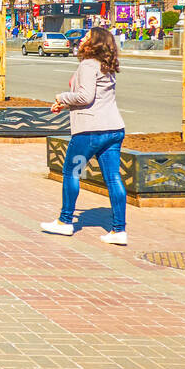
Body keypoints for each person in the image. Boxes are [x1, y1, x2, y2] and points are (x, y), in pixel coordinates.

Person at [41, 27, 127, 246]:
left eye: (87, 37)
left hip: (90, 132)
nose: (81, 39)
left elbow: (85, 97)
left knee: (72, 173)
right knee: (113, 178)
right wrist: (64, 104)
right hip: (113, 130)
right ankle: (119, 230)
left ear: (95, 42)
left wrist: (61, 96)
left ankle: (65, 221)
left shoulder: (88, 65)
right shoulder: (107, 67)